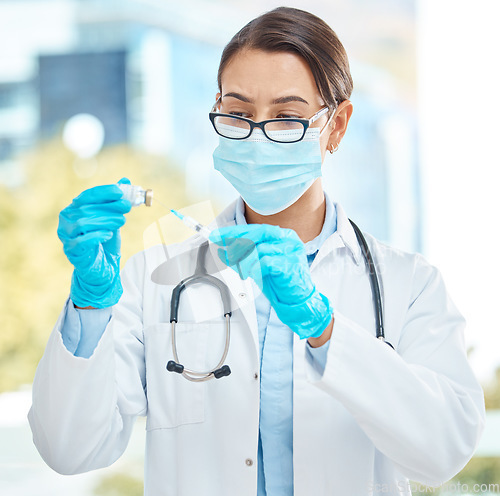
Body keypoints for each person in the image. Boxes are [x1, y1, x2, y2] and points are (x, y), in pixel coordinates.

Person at [29, 7, 485, 496]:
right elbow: (70, 449)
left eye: (287, 117)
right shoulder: (156, 277)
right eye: (240, 113)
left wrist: (325, 330)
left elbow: (445, 452)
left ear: (337, 125)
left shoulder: (407, 284)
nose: (258, 134)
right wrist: (91, 304)